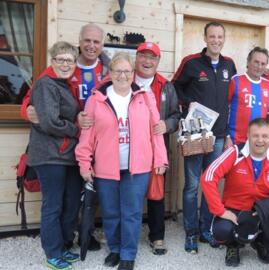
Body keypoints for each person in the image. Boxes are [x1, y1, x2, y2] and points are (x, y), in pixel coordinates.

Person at [75, 52, 168, 270]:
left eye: (127, 71)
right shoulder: (96, 99)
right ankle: (115, 249)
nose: (123, 75)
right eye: (118, 71)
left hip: (138, 167)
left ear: (133, 73)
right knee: (111, 212)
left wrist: (160, 158)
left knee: (132, 212)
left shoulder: (145, 97)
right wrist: (84, 163)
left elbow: (156, 130)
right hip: (106, 167)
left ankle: (128, 254)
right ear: (110, 73)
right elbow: (87, 136)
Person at [172, 21, 237, 253]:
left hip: (218, 136)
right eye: (212, 36)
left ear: (224, 38)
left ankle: (205, 230)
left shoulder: (230, 65)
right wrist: (187, 108)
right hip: (196, 135)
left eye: (220, 36)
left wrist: (229, 133)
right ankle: (190, 233)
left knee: (209, 183)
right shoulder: (191, 63)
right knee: (191, 186)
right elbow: (174, 88)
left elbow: (232, 99)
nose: (216, 40)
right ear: (205, 37)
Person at [201, 118, 269, 269]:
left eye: (265, 136)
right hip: (235, 209)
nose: (260, 140)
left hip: (262, 211)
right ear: (248, 135)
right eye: (255, 135)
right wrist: (220, 210)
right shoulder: (235, 152)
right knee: (222, 230)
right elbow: (208, 177)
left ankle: (260, 242)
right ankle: (233, 246)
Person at [27, 41, 83, 270]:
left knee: (70, 202)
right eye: (61, 59)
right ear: (52, 62)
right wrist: (76, 129)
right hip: (49, 155)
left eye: (70, 60)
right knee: (53, 205)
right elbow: (49, 122)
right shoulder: (45, 84)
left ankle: (63, 246)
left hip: (66, 154)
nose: (66, 64)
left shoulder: (65, 86)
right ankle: (53, 252)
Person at [134, 42, 180, 255]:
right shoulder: (125, 79)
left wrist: (167, 125)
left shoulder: (166, 86)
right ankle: (126, 235)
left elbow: (176, 116)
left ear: (158, 61)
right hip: (130, 148)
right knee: (128, 193)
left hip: (156, 150)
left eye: (152, 57)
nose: (147, 61)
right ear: (136, 58)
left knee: (156, 194)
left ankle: (157, 237)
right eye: (143, 56)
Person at [225, 47, 269, 146]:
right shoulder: (235, 81)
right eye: (256, 62)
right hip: (235, 140)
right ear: (248, 62)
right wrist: (227, 136)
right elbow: (224, 110)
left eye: (263, 64)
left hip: (257, 143)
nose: (259, 66)